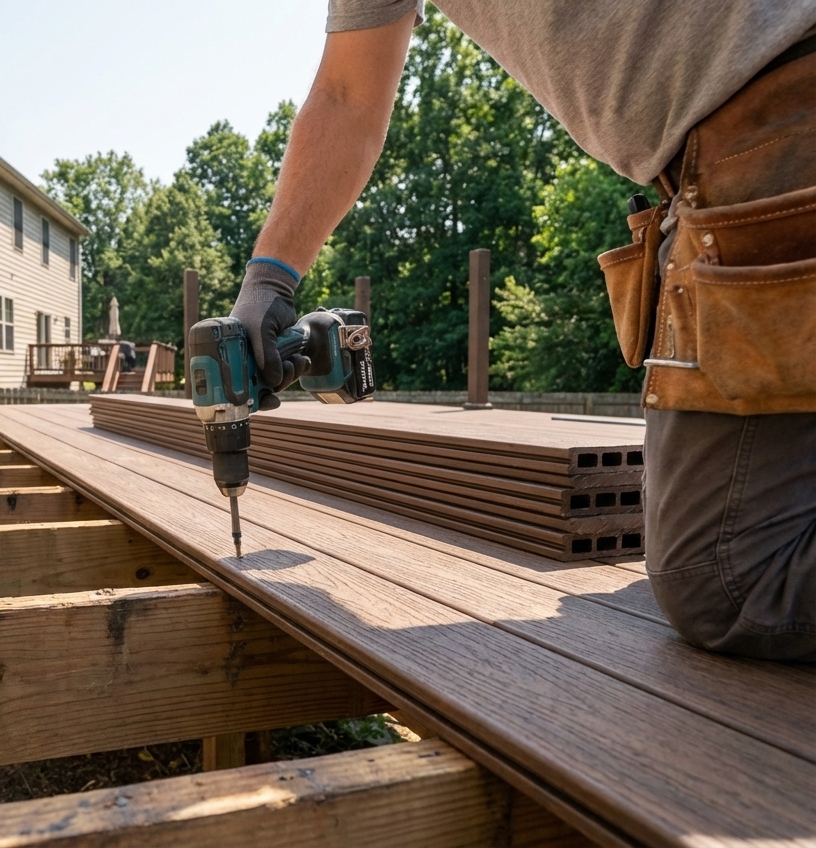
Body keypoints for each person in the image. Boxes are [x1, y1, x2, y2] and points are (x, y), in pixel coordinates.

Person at [231, 0, 816, 661]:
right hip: (739, 143)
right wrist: (270, 276)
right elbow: (346, 95)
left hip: (778, 119)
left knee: (730, 577)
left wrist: (269, 279)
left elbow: (346, 94)